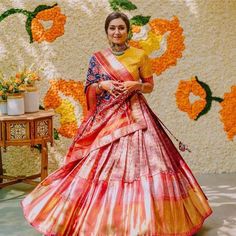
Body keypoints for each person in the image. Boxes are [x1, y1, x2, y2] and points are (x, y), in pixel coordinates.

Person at [21, 12, 212, 236]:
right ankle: (102, 221)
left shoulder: (140, 55)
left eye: (121, 28)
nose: (117, 32)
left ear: (128, 31)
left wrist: (135, 86)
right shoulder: (97, 57)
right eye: (112, 28)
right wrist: (103, 85)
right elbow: (89, 87)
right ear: (107, 31)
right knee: (96, 163)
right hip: (107, 117)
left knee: (150, 164)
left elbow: (149, 86)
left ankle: (148, 220)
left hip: (136, 115)